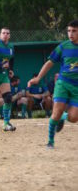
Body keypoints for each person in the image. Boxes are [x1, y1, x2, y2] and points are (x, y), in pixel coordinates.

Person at [28, 19, 78, 148]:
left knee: (73, 118)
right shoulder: (63, 46)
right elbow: (49, 63)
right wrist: (38, 78)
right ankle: (50, 141)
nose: (70, 34)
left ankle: (63, 117)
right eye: (68, 31)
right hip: (63, 83)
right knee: (56, 113)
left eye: (74, 31)